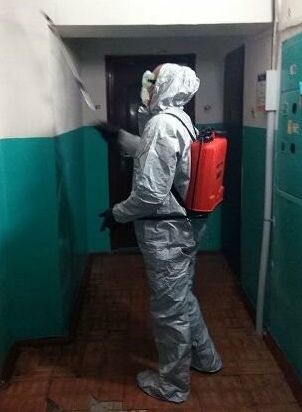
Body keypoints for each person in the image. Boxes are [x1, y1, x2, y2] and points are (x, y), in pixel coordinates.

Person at [95, 64, 222, 403]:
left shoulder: (162, 124)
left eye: (151, 82)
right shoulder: (179, 120)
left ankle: (173, 386)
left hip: (167, 232)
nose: (146, 87)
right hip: (183, 227)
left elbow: (151, 193)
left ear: (165, 85)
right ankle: (205, 357)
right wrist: (120, 137)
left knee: (169, 310)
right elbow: (159, 157)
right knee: (181, 297)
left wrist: (118, 213)